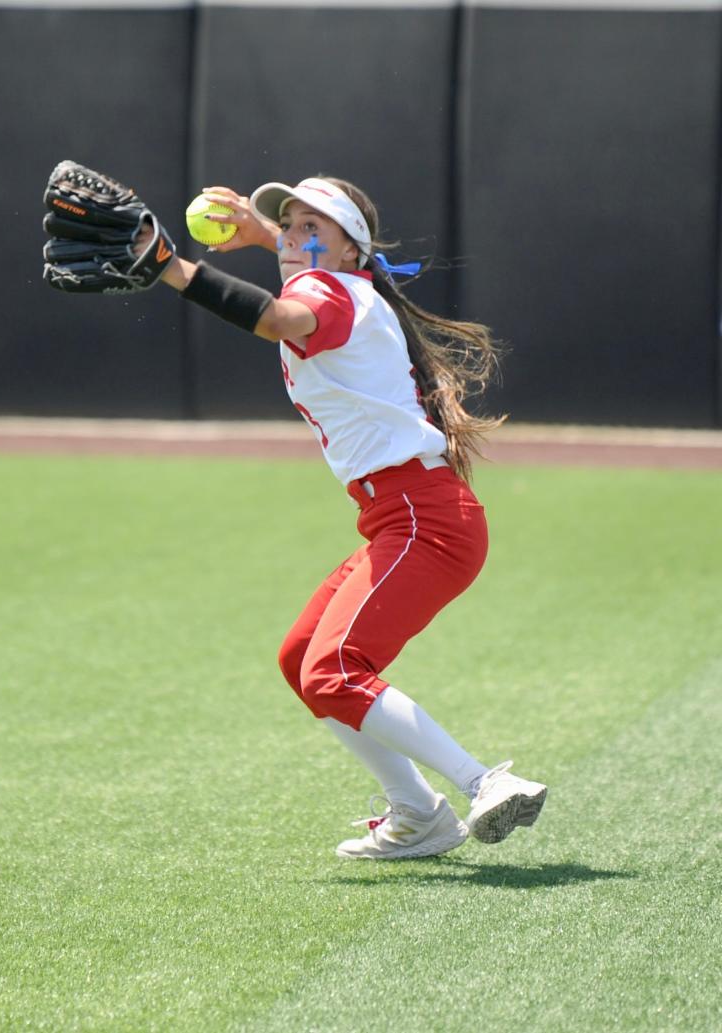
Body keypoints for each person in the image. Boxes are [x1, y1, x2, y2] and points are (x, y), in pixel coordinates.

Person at [140, 175, 547, 859]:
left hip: (423, 518)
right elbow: (315, 273)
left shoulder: (324, 291)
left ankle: (483, 783)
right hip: (407, 514)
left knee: (334, 666)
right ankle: (418, 813)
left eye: (311, 227)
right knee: (303, 659)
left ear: (351, 250)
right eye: (290, 224)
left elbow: (282, 317)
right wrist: (264, 235)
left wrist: (172, 269)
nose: (294, 237)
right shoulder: (349, 285)